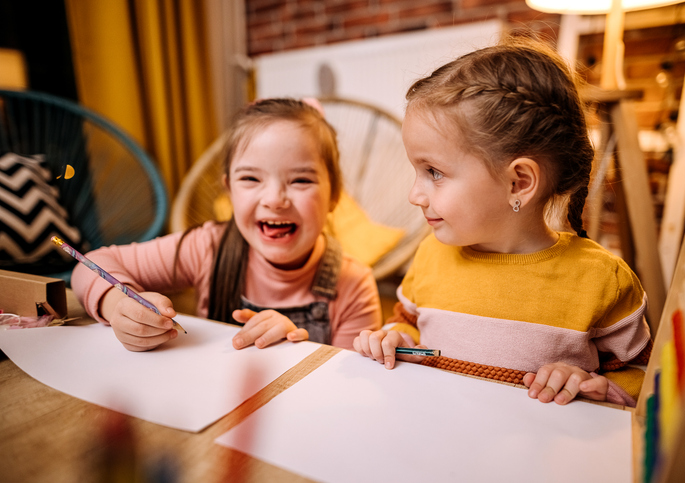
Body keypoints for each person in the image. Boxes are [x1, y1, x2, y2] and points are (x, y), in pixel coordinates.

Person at [353, 36, 651, 407]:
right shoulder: (431, 254)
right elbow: (410, 327)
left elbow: (644, 378)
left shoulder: (601, 281)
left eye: (434, 172)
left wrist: (597, 386)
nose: (415, 194)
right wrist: (395, 339)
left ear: (519, 182)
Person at [72, 98, 382, 352]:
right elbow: (90, 264)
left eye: (300, 180)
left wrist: (296, 350)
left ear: (334, 197)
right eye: (250, 179)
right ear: (229, 190)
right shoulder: (207, 247)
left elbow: (351, 393)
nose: (274, 199)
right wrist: (118, 305)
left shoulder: (354, 286)